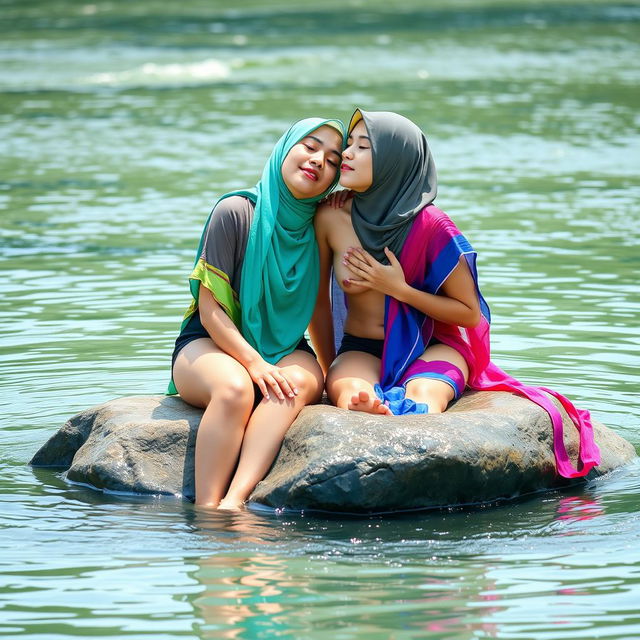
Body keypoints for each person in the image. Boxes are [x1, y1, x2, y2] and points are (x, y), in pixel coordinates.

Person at [309, 109, 600, 479]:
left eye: (363, 147)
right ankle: (376, 408)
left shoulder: (432, 225)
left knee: (426, 394)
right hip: (362, 345)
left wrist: (397, 289)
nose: (346, 154)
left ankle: (410, 425)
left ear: (395, 162)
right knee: (351, 393)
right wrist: (329, 364)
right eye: (348, 144)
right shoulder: (331, 216)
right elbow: (317, 301)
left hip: (435, 345)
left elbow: (468, 313)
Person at [169, 117, 345, 509]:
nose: (319, 161)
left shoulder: (319, 224)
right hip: (209, 342)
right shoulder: (235, 211)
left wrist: (330, 375)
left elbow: (317, 305)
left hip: (285, 344)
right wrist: (253, 364)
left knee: (294, 385)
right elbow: (210, 309)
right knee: (235, 390)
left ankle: (237, 500)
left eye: (333, 160)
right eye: (310, 146)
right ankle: (208, 512)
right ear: (285, 149)